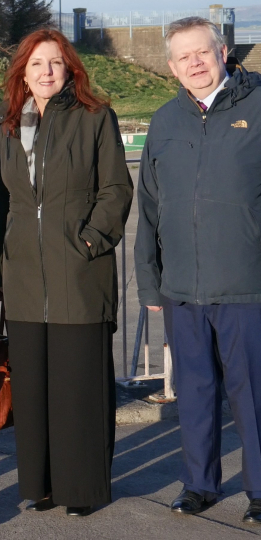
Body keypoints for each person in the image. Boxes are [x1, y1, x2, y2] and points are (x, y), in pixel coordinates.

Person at [0, 29, 132, 516]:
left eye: (54, 63)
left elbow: (116, 188)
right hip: (24, 277)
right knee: (35, 391)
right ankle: (42, 485)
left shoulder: (94, 118)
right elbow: (0, 202)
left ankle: (82, 490)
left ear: (70, 68)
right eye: (35, 65)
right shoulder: (10, 126)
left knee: (79, 390)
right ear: (22, 73)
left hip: (80, 276)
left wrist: (89, 240)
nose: (46, 72)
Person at [134, 17, 261, 524]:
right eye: (183, 57)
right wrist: (150, 281)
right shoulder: (165, 121)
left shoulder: (256, 106)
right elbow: (148, 206)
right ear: (171, 68)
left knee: (252, 396)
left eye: (203, 52)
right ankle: (199, 484)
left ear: (223, 51)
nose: (195, 63)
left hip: (246, 285)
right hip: (182, 288)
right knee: (195, 392)